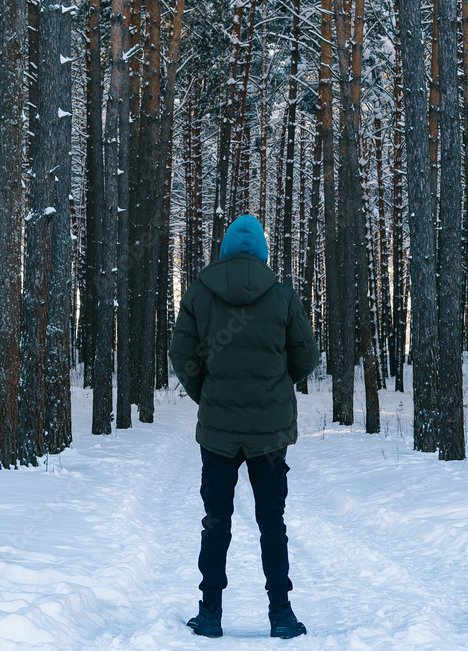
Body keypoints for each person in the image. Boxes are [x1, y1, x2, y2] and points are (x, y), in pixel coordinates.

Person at [170, 214, 320, 640]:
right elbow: (306, 358)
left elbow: (183, 359)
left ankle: (211, 613)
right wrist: (272, 388)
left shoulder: (198, 295)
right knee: (272, 521)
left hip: (218, 432)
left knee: (216, 519)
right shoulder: (283, 298)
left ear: (223, 253)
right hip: (269, 434)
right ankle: (282, 614)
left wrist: (210, 394)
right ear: (262, 253)